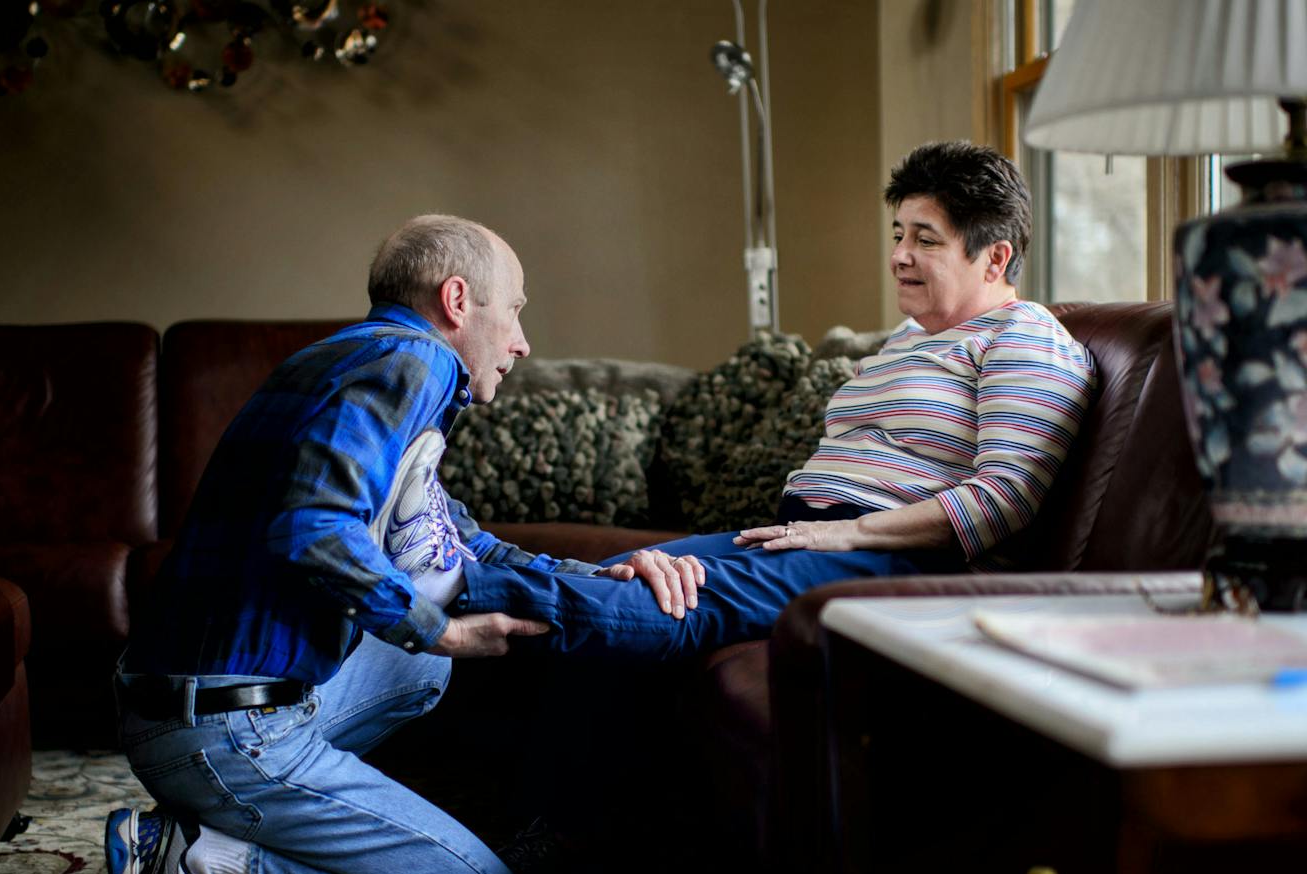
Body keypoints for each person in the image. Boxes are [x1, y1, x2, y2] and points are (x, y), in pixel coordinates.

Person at [105, 214, 704, 874]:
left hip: (175, 702)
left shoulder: (349, 356)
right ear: (457, 299)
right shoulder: (414, 362)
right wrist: (442, 628)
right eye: (515, 309)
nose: (522, 341)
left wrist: (606, 577)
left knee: (420, 671)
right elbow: (313, 528)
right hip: (225, 728)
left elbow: (465, 546)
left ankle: (227, 820)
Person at [435, 139, 1096, 658]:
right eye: (897, 233)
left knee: (647, 602)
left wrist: (849, 532)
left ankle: (425, 589)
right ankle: (566, 820)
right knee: (615, 575)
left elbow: (1004, 496)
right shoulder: (908, 340)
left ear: (994, 257)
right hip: (807, 540)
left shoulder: (1027, 336)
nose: (899, 255)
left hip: (897, 562)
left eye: (925, 239)